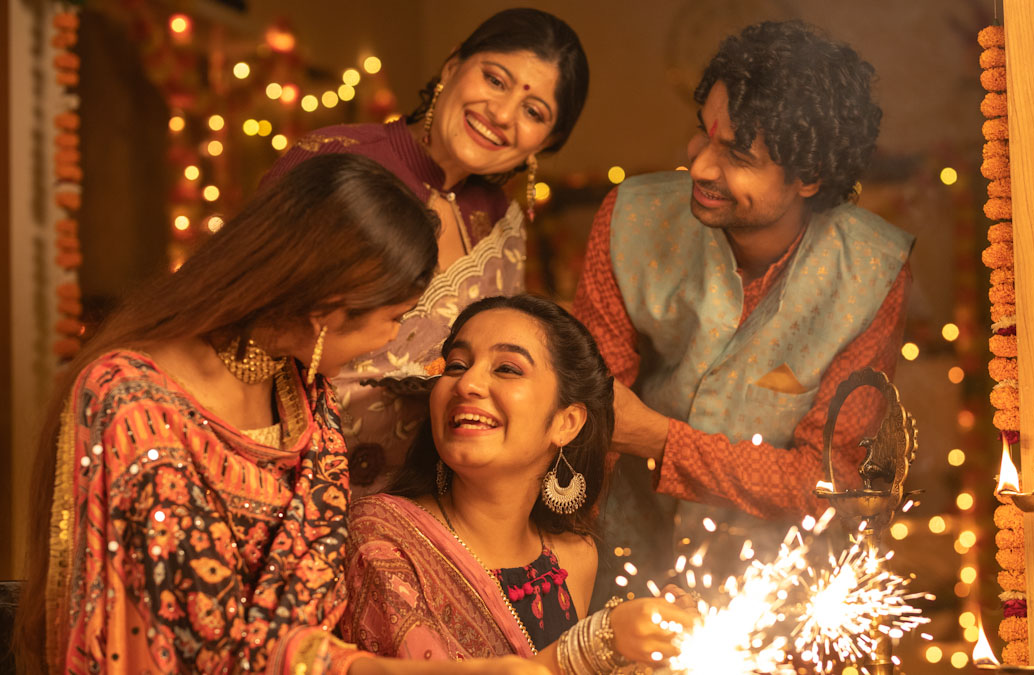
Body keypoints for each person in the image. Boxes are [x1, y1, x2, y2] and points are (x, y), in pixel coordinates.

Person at [15, 154, 545, 675]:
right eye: (394, 317)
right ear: (326, 312)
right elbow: (194, 642)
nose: (392, 338)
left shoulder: (302, 392)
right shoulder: (134, 405)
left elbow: (311, 604)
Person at [573, 20, 915, 604]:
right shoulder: (631, 218)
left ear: (809, 177)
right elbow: (591, 413)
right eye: (702, 134)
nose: (702, 167)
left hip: (777, 588)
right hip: (626, 561)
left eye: (736, 154)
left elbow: (828, 482)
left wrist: (661, 441)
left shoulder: (870, 272)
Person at [263, 8, 589, 497]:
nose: (502, 115)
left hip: (423, 501)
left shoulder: (502, 220)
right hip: (292, 479)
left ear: (548, 141)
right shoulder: (334, 160)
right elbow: (250, 325)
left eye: (534, 112)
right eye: (495, 80)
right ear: (453, 65)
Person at [340, 295, 693, 670]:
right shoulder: (381, 536)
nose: (467, 383)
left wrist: (643, 657)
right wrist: (594, 645)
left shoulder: (573, 555)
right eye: (456, 365)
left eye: (507, 369)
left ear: (566, 423)